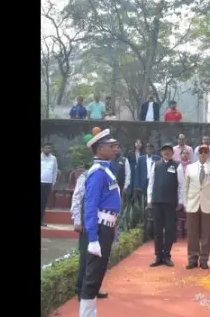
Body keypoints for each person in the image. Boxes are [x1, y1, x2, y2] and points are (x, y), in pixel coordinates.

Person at [78, 129, 122, 317]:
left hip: (107, 226)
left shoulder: (106, 169)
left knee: (98, 275)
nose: (115, 149)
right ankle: (86, 314)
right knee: (92, 276)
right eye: (112, 146)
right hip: (100, 227)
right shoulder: (97, 172)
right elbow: (90, 205)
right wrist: (93, 238)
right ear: (100, 149)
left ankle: (90, 313)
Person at [70, 161, 109, 300]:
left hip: (101, 222)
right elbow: (77, 198)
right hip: (87, 220)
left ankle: (93, 288)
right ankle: (81, 289)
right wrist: (77, 221)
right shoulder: (85, 176)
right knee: (86, 257)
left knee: (98, 257)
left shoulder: (105, 175)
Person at [182, 145, 210, 269]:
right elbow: (185, 187)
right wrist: (185, 203)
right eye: (201, 152)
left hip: (208, 204)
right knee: (192, 233)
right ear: (197, 154)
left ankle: (204, 259)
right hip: (192, 204)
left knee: (206, 233)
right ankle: (192, 259)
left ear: (208, 154)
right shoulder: (190, 168)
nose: (203, 154)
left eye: (205, 152)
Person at [146, 143, 184, 267]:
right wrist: (149, 198)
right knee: (157, 230)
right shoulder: (155, 165)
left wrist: (181, 201)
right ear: (161, 153)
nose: (166, 152)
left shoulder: (177, 166)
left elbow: (181, 185)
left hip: (171, 202)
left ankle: (167, 255)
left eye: (168, 150)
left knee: (169, 230)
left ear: (172, 153)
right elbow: (151, 182)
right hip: (157, 201)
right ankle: (158, 256)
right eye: (164, 151)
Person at [41, 143, 59, 227]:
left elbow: (55, 170)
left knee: (43, 202)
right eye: (46, 148)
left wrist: (53, 182)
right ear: (42, 148)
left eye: (49, 148)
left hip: (48, 183)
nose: (48, 149)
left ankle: (41, 220)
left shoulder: (53, 158)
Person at [177, 148, 192, 237]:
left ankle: (188, 231)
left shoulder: (192, 166)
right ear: (180, 155)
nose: (185, 155)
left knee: (189, 212)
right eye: (183, 153)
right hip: (179, 191)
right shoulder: (177, 166)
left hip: (190, 191)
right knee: (179, 212)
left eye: (187, 153)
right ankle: (179, 231)